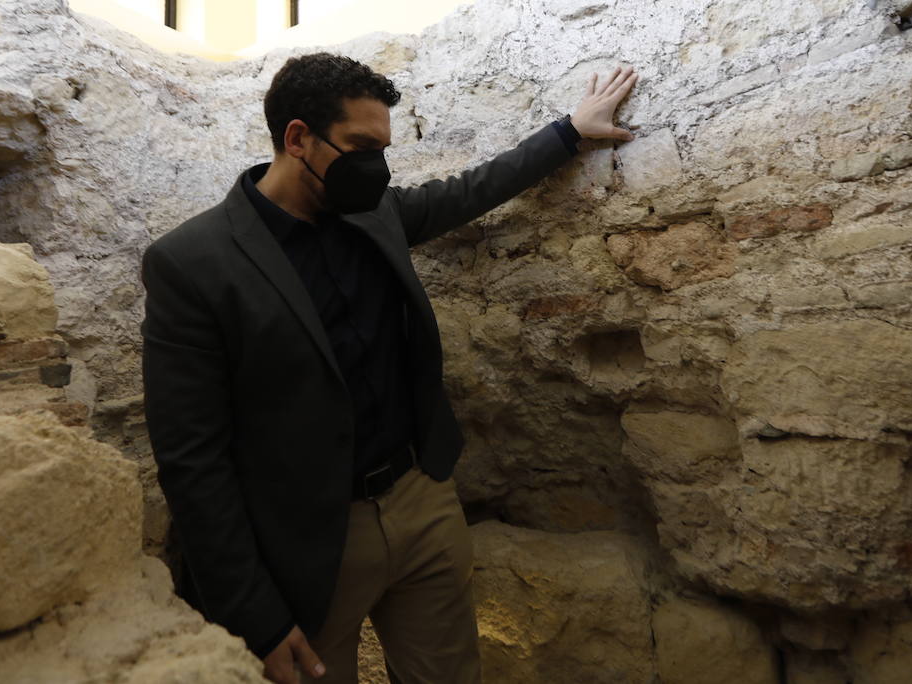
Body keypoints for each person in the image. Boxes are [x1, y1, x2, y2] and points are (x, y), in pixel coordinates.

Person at [141, 53, 637, 684]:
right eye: (360, 146)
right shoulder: (192, 262)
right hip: (308, 540)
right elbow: (191, 458)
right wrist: (252, 613)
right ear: (297, 139)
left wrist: (570, 130)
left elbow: (470, 191)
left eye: (384, 147)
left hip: (419, 500)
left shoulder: (372, 213)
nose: (375, 164)